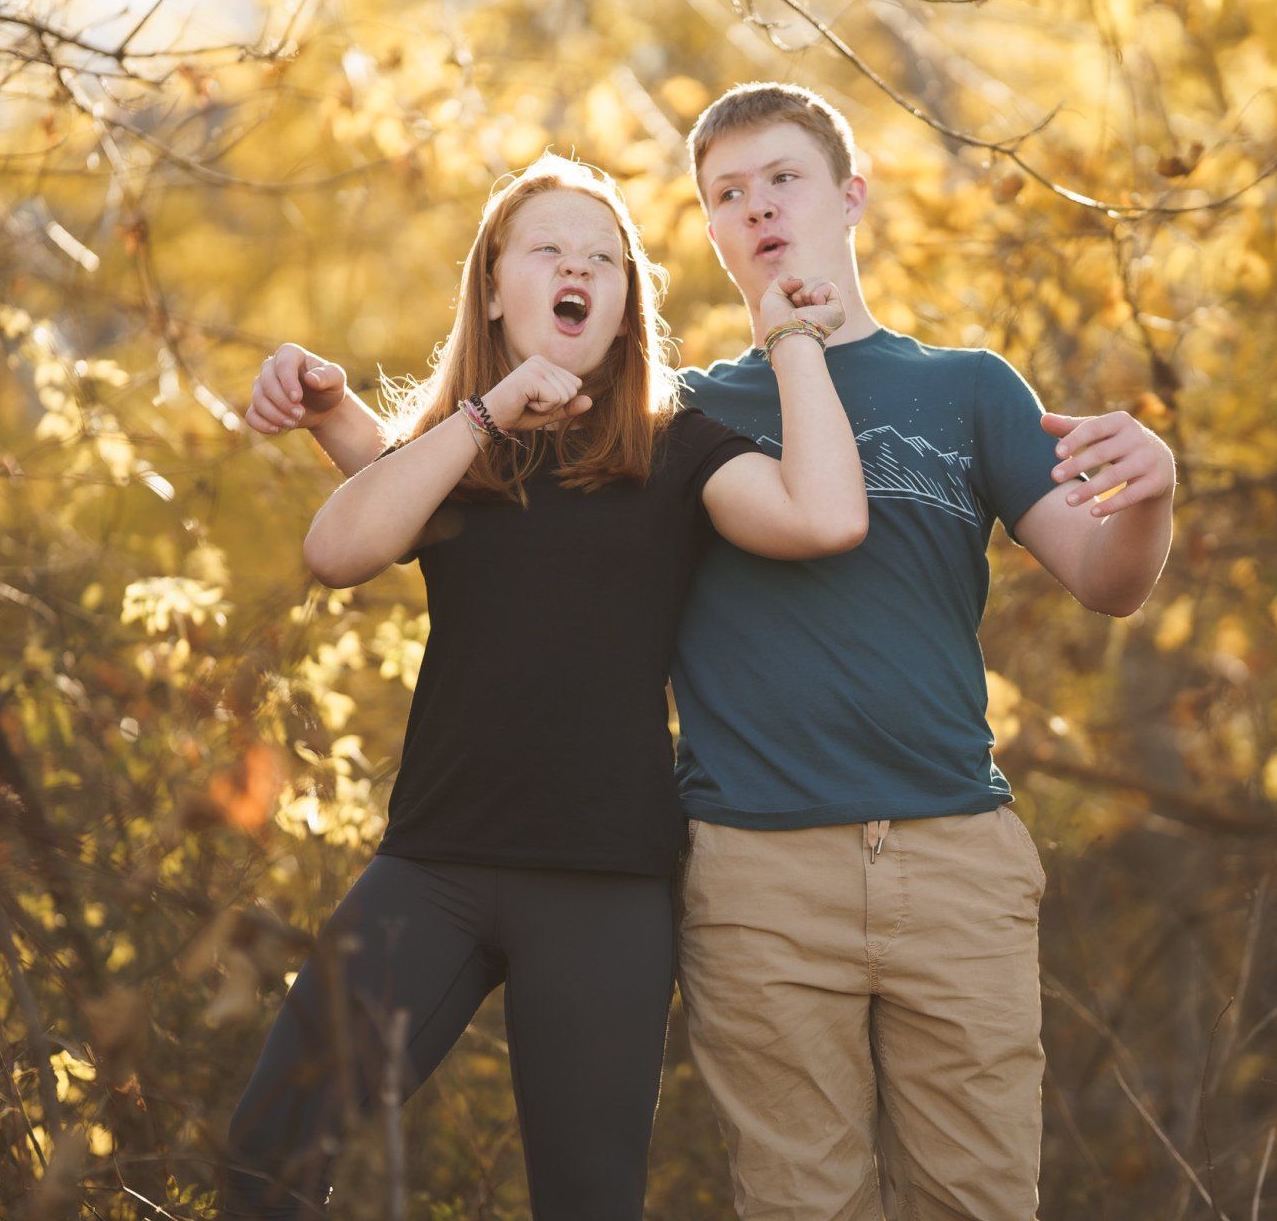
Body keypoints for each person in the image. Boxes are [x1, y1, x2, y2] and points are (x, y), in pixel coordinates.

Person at [250, 83, 1177, 1220]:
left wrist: (1152, 494)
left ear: (850, 196)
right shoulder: (652, 418)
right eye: (727, 194)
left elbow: (1104, 580)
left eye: (782, 178)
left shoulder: (921, 395)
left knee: (977, 1199)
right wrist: (337, 407)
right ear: (706, 234)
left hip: (941, 851)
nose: (758, 207)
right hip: (751, 868)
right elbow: (454, 511)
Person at [220, 152, 866, 1220]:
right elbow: (339, 548)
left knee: (587, 1201)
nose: (579, 268)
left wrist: (791, 337)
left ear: (624, 306)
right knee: (265, 1155)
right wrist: (479, 413)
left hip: (604, 885)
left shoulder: (676, 449)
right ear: (493, 285)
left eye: (604, 259)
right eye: (549, 249)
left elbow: (826, 516)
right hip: (434, 865)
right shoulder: (459, 454)